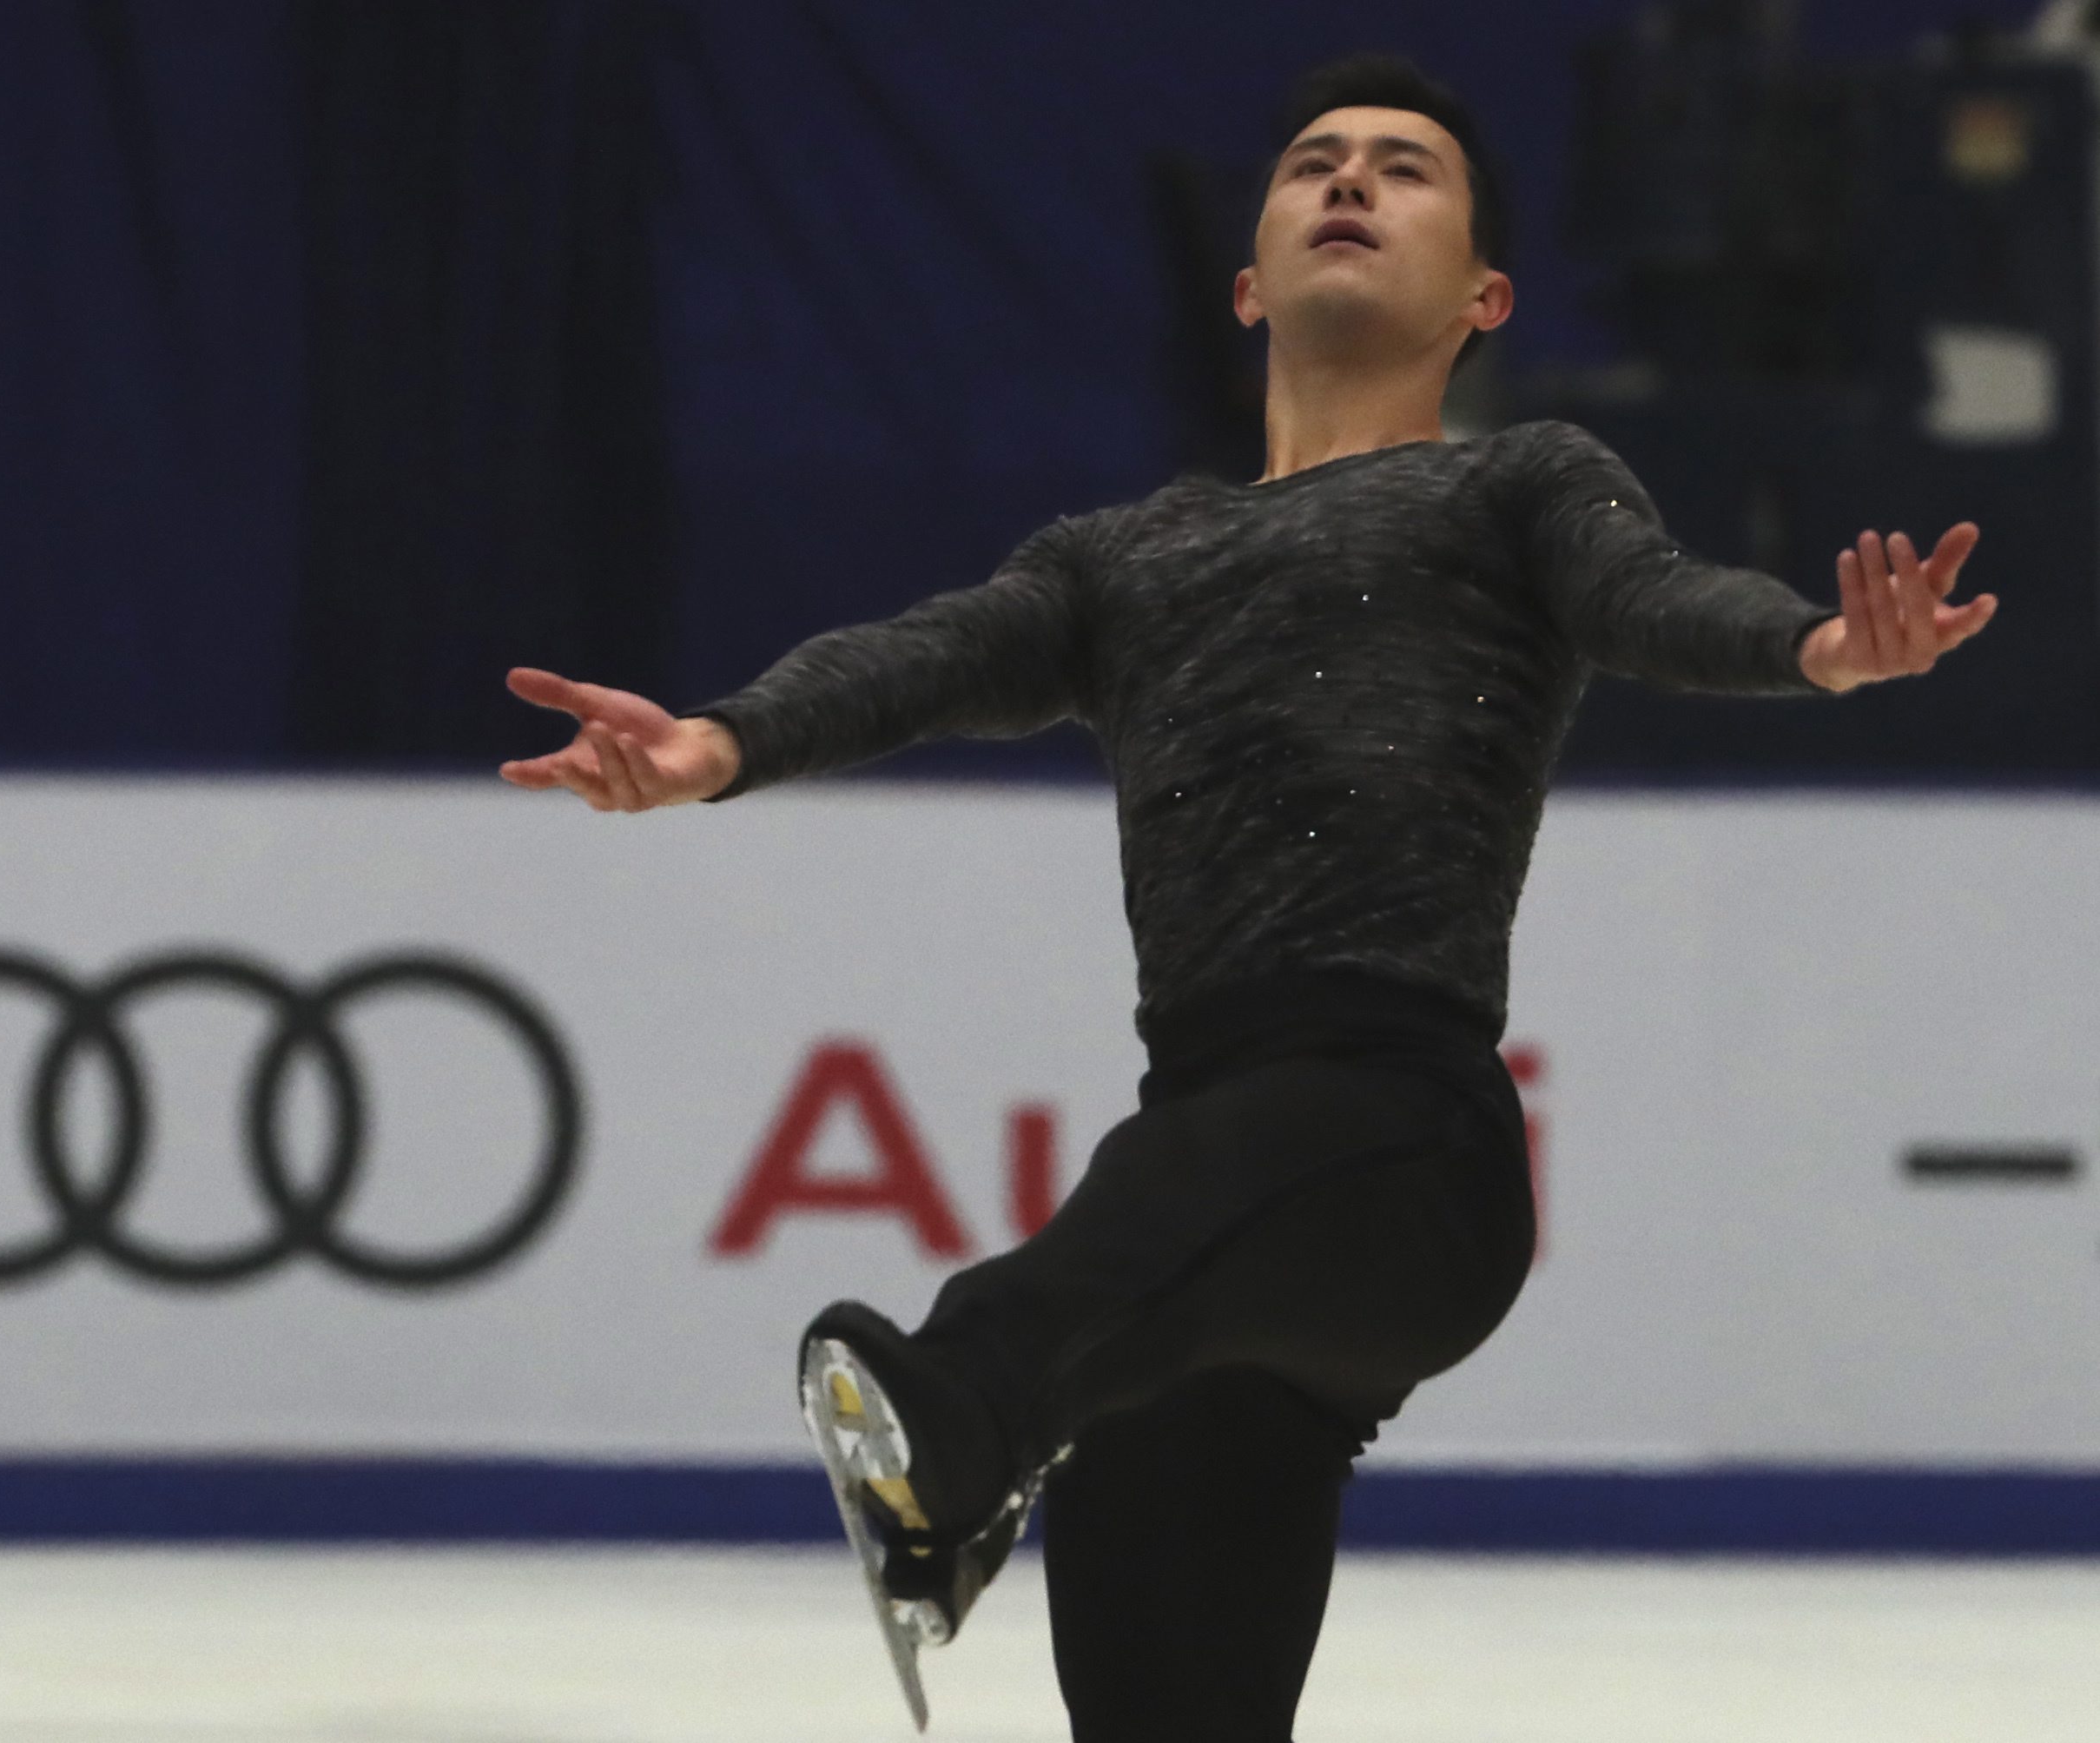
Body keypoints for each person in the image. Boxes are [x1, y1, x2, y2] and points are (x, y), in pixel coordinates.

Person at [498, 52, 1996, 1743]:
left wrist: (1812, 645)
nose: (1350, 181)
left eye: (1405, 168)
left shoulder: (1516, 486)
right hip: (1217, 1223)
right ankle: (1005, 1425)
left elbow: (1653, 596)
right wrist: (721, 739)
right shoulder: (1120, 560)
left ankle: (966, 1406)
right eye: (1314, 164)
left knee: (1188, 1184)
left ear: (1484, 293)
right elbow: (924, 656)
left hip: (1395, 1148)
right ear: (1246, 275)